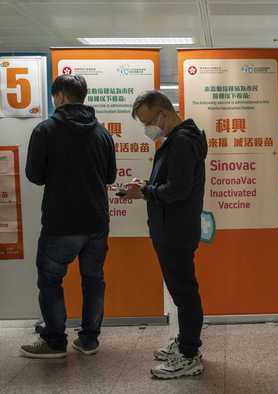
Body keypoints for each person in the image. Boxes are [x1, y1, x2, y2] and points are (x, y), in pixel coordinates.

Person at [21, 74, 117, 358]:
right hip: (96, 222)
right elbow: (110, 176)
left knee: (51, 281)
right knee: (93, 280)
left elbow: (34, 176)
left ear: (60, 97)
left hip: (59, 222)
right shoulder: (102, 133)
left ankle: (55, 342)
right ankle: (88, 341)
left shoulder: (45, 130)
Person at [121, 90, 207, 379]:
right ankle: (186, 343)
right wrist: (148, 184)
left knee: (184, 293)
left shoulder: (182, 141)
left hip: (176, 229)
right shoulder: (178, 140)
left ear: (164, 114)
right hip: (172, 226)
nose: (148, 129)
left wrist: (144, 191)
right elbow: (173, 182)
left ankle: (189, 355)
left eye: (148, 122)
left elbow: (178, 190)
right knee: (182, 291)